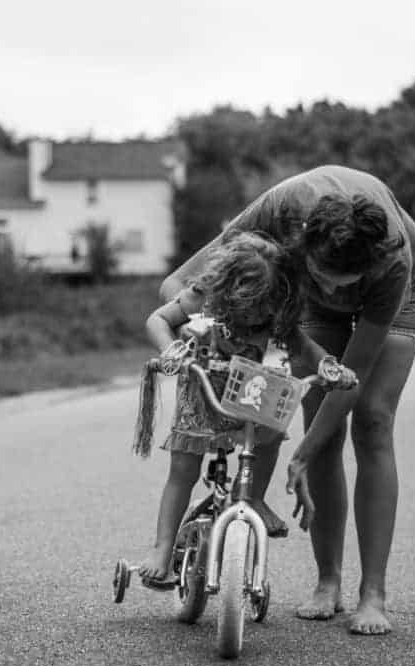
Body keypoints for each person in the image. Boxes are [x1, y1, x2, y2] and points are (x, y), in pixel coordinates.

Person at [160, 165, 415, 635]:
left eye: (345, 282)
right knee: (318, 422)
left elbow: (353, 376)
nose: (334, 291)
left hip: (397, 298)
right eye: (324, 277)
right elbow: (179, 284)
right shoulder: (283, 208)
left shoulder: (393, 263)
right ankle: (328, 583)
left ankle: (374, 594)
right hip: (309, 304)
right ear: (304, 243)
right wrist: (196, 337)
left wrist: (298, 459)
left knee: (373, 421)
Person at [134, 231, 330, 587]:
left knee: (270, 435)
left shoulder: (276, 307)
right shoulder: (204, 293)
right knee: (183, 467)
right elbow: (157, 320)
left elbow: (303, 347)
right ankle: (163, 547)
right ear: (227, 289)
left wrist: (328, 364)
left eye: (263, 309)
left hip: (251, 390)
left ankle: (253, 498)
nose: (256, 316)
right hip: (203, 387)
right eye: (247, 308)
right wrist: (170, 351)